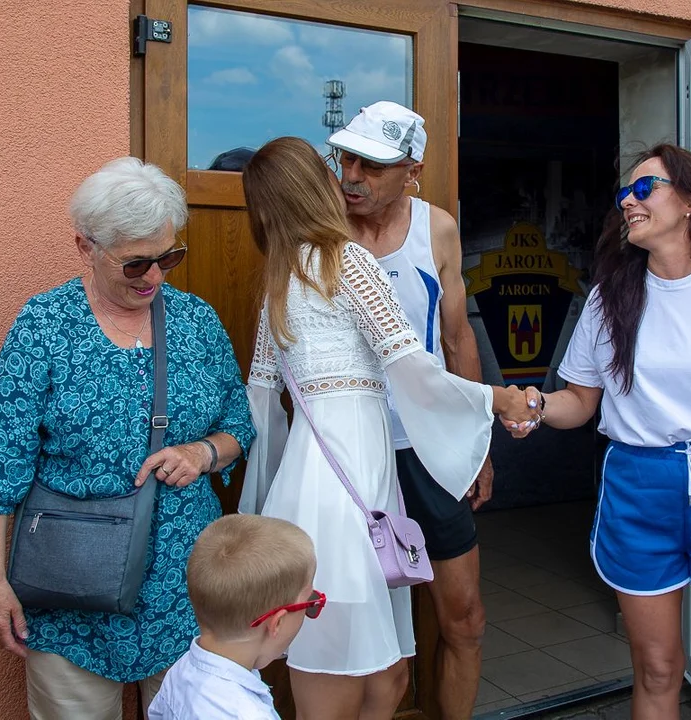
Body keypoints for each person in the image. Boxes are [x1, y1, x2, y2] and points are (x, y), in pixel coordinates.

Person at [238, 136, 537, 720]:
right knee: (362, 672)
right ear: (313, 186)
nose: (342, 178)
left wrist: (262, 505)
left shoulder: (279, 276)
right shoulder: (347, 259)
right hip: (355, 473)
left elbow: (262, 405)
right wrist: (496, 398)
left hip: (306, 482)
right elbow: (412, 367)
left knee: (362, 664)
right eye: (331, 168)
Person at [506, 144, 691, 719]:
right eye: (625, 194)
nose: (629, 202)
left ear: (690, 200)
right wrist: (538, 406)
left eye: (645, 189)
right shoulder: (607, 299)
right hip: (638, 488)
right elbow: (579, 403)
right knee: (658, 670)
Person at [0, 157, 256, 720]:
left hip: (185, 583)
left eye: (168, 258)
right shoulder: (44, 325)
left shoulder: (196, 320)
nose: (154, 277)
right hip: (70, 588)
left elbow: (239, 423)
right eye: (135, 264)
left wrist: (204, 452)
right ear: (85, 246)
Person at [326, 101, 490, 719]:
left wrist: (476, 446)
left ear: (411, 168)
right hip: (350, 453)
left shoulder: (436, 229)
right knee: (355, 634)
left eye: (372, 164)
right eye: (347, 158)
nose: (352, 176)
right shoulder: (324, 230)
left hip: (426, 448)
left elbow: (456, 341)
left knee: (464, 620)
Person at [148, 514, 322, 720]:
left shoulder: (181, 670)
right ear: (278, 622)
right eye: (311, 603)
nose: (312, 607)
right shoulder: (249, 714)